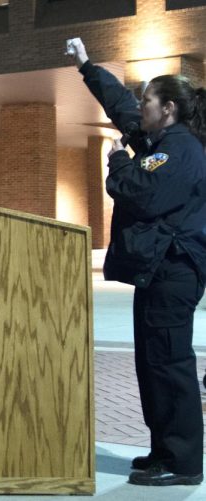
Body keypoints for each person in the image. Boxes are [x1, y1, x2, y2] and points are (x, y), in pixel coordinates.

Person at [71, 38, 206, 486]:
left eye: (147, 99)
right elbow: (120, 107)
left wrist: (116, 160)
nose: (139, 106)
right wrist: (89, 66)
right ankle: (162, 449)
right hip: (157, 273)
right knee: (151, 364)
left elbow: (139, 193)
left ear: (167, 109)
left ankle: (183, 463)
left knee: (170, 364)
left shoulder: (180, 150)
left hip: (174, 273)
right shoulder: (159, 139)